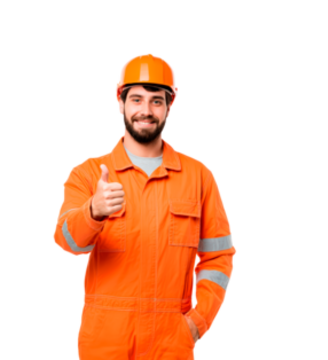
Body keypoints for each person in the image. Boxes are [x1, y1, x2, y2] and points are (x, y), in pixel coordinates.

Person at [52, 53, 237, 359]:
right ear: (120, 104)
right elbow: (67, 242)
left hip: (171, 342)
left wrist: (197, 322)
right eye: (136, 99)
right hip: (105, 342)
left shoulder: (199, 177)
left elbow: (219, 257)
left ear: (169, 107)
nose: (146, 110)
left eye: (156, 101)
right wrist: (93, 211)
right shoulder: (87, 173)